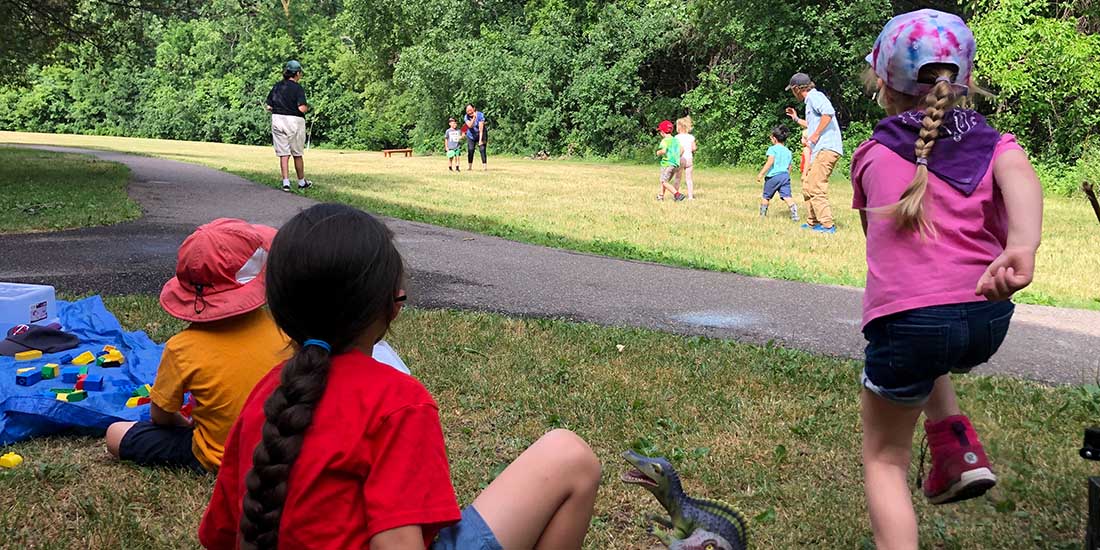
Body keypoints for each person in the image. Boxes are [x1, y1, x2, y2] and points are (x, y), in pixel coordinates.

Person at [199, 203, 601, 549]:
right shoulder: (397, 402)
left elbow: (221, 535)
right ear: (391, 307)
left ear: (280, 311)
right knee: (569, 456)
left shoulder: (267, 393)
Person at [852, 10, 1043, 549]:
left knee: (885, 459)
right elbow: (1020, 174)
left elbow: (873, 236)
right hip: (987, 316)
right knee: (930, 342)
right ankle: (957, 449)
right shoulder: (992, 142)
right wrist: (1021, 246)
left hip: (910, 326)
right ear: (964, 82)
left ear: (883, 83)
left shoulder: (871, 154)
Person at [105, 219, 289, 473]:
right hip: (282, 452)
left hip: (216, 457)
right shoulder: (284, 328)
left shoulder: (181, 348)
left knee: (115, 433)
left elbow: (161, 416)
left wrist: (187, 424)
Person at [785, 72, 843, 233]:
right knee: (808, 186)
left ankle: (827, 226)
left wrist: (816, 134)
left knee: (816, 186)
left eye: (792, 90)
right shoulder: (810, 101)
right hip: (820, 149)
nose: (792, 93)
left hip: (827, 148)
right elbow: (811, 126)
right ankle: (813, 222)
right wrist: (796, 119)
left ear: (797, 88)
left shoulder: (814, 96)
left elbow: (828, 113)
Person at [265, 60, 312, 193]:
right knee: (297, 153)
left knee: (283, 154)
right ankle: (301, 182)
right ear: (297, 73)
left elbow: (269, 106)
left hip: (277, 120)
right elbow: (302, 108)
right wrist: (308, 107)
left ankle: (286, 182)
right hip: (294, 122)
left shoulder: (276, 87)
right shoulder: (298, 88)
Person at [756, 125, 799, 221]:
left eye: (771, 138)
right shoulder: (788, 151)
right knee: (787, 196)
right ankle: (794, 213)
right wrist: (787, 175)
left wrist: (761, 173)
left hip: (773, 177)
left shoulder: (772, 149)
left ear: (774, 139)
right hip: (785, 176)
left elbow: (770, 161)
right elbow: (789, 166)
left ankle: (762, 216)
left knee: (766, 196)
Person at [655, 120, 685, 202]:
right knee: (665, 181)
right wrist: (676, 156)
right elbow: (682, 149)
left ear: (662, 132)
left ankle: (677, 194)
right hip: (675, 164)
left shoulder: (665, 141)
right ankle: (660, 196)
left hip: (667, 164)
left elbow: (664, 151)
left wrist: (658, 152)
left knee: (663, 181)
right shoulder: (675, 140)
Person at [674, 116, 698, 200]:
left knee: (677, 178)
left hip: (680, 159)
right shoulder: (691, 137)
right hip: (689, 159)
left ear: (679, 127)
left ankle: (676, 195)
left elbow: (675, 149)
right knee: (689, 178)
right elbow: (694, 148)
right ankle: (690, 196)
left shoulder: (676, 137)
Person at [464, 104, 488, 171]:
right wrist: (474, 118)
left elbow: (481, 129)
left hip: (481, 133)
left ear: (474, 108)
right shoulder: (466, 117)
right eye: (467, 111)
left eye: (470, 110)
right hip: (471, 135)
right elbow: (469, 126)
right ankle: (469, 167)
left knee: (482, 149)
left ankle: (484, 167)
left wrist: (480, 140)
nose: (469, 112)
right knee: (470, 150)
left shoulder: (480, 115)